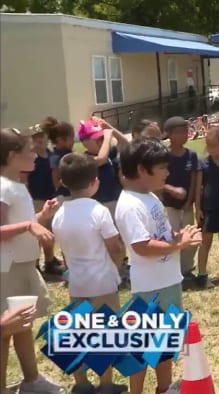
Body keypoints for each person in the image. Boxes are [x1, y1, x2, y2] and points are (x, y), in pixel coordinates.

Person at [114, 138, 201, 394]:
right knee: (141, 347)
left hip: (168, 280)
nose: (167, 172)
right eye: (162, 167)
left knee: (165, 343)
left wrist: (176, 236)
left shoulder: (149, 196)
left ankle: (164, 388)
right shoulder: (129, 205)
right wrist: (178, 246)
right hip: (151, 288)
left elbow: (158, 234)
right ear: (142, 169)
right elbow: (141, 246)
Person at [51, 153, 128, 394]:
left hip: (77, 283)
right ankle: (106, 384)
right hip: (102, 283)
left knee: (79, 334)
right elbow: (115, 246)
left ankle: (81, 384)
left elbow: (63, 251)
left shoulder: (60, 214)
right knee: (105, 334)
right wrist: (116, 266)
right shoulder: (98, 211)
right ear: (95, 181)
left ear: (63, 182)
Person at [0, 127, 64, 393]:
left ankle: (31, 380)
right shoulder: (3, 188)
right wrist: (29, 225)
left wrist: (40, 217)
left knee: (22, 325)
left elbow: (20, 224)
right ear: (14, 155)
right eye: (30, 151)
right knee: (5, 330)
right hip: (7, 269)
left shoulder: (16, 186)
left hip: (23, 266)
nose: (36, 156)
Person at [194, 127, 219, 289]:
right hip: (208, 207)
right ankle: (202, 275)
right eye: (209, 146)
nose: (212, 150)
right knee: (206, 241)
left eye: (215, 146)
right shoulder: (203, 164)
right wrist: (198, 208)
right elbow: (198, 188)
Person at [161, 117, 200, 279]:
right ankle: (172, 270)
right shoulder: (163, 155)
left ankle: (186, 269)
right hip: (169, 205)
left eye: (186, 131)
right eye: (179, 132)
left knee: (190, 238)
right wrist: (171, 191)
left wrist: (189, 201)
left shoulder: (191, 155)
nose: (184, 135)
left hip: (186, 206)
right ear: (169, 134)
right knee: (172, 238)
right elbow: (159, 180)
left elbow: (193, 180)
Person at [25, 124, 64, 275]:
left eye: (42, 136)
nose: (40, 139)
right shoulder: (31, 157)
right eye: (35, 137)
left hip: (50, 197)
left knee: (50, 232)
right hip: (36, 199)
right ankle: (35, 264)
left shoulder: (51, 154)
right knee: (36, 234)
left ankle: (49, 261)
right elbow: (25, 179)